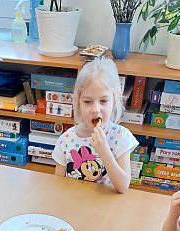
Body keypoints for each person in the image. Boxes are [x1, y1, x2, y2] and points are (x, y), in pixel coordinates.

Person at [52, 58, 137, 193]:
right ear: (78, 102)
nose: (96, 109)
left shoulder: (121, 136)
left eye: (103, 101)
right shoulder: (66, 140)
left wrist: (104, 151)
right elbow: (58, 185)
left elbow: (123, 187)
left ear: (114, 101)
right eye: (87, 101)